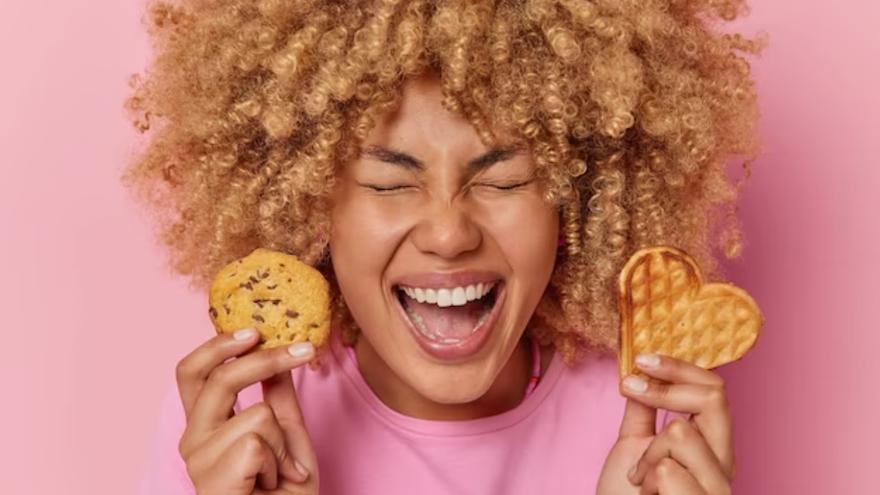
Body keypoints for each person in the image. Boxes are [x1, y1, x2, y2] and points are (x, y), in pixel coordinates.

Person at [124, 0, 762, 493]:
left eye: (505, 180)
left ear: (578, 197)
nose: (449, 233)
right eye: (390, 183)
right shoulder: (235, 432)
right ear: (309, 202)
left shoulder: (649, 428)